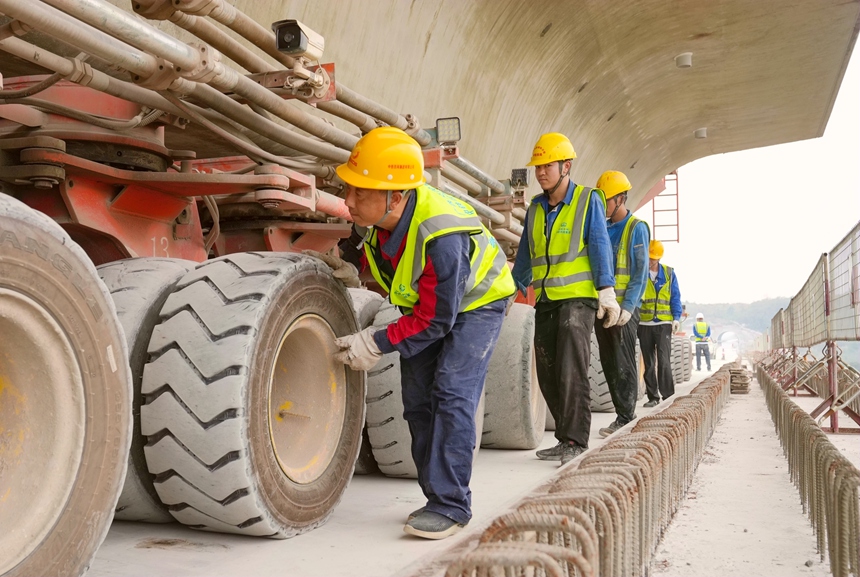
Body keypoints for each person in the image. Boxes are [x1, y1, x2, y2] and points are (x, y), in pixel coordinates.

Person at [328, 127, 516, 540]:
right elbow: (389, 271)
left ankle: (451, 505)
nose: (349, 201)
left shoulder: (441, 236)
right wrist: (344, 266)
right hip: (431, 308)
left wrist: (375, 342)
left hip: (479, 303)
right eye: (350, 188)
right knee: (416, 400)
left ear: (396, 197)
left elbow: (436, 322)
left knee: (451, 392)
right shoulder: (374, 222)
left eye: (361, 192)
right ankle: (435, 497)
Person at [511, 133, 620, 466]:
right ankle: (563, 437)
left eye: (547, 166)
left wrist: (606, 290)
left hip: (577, 300)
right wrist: (508, 291)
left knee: (571, 369)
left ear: (566, 166)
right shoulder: (536, 208)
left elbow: (600, 245)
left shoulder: (589, 201)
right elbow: (526, 258)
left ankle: (575, 439)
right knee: (546, 370)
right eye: (538, 167)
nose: (541, 172)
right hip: (545, 299)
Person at [592, 171, 650, 438]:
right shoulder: (602, 227)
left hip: (625, 309)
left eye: (607, 200)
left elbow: (639, 273)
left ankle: (626, 416)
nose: (604, 206)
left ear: (621, 198)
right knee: (609, 361)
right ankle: (621, 414)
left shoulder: (636, 227)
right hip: (605, 306)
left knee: (623, 360)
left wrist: (628, 307)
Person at [637, 240, 682, 407]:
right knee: (649, 363)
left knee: (664, 361)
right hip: (644, 324)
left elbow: (675, 297)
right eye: (648, 258)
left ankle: (668, 396)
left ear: (659, 258)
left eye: (653, 259)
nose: (650, 262)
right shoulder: (639, 273)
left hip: (663, 325)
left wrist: (676, 318)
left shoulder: (669, 273)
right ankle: (653, 397)